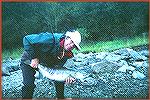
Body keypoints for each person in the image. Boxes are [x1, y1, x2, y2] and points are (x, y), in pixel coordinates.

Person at [20, 30, 81, 99]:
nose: (72, 45)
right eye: (72, 41)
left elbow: (58, 67)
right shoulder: (49, 39)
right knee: (29, 85)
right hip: (29, 59)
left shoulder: (66, 54)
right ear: (66, 38)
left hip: (45, 63)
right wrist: (34, 58)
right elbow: (26, 39)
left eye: (74, 45)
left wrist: (66, 78)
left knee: (60, 77)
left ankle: (60, 98)